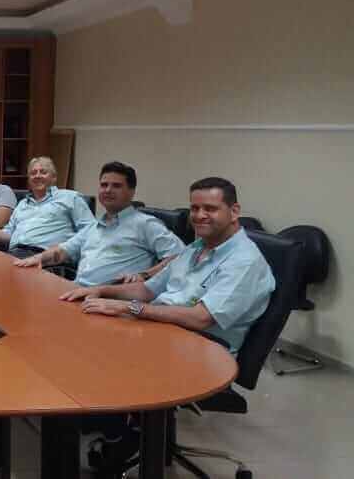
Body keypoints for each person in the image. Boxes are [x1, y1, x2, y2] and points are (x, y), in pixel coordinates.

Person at [59, 177, 275, 475]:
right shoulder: (197, 248)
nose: (199, 215)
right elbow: (147, 290)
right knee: (80, 337)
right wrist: (101, 290)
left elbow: (201, 318)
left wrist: (130, 308)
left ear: (234, 211)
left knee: (95, 358)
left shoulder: (244, 261)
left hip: (204, 352)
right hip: (163, 332)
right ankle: (121, 428)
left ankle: (123, 435)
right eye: (195, 208)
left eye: (210, 208)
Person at [13, 162, 184, 286]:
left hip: (113, 301)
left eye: (116, 186)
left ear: (131, 191)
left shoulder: (145, 224)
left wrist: (145, 276)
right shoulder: (93, 227)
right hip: (77, 292)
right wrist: (38, 258)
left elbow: (181, 256)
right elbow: (62, 251)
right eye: (104, 185)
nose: (108, 190)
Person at [0, 156, 94, 258]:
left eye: (43, 172)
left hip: (47, 258)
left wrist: (64, 250)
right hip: (15, 255)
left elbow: (90, 229)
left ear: (54, 177)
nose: (37, 176)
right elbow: (8, 234)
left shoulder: (70, 197)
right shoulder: (22, 204)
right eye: (33, 173)